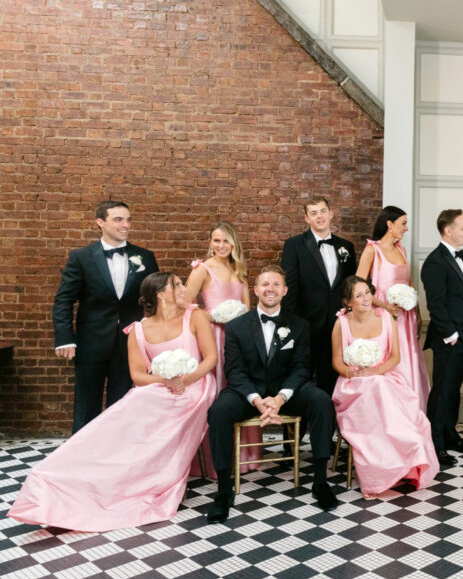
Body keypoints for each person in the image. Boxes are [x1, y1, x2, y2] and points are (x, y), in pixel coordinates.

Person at [10, 272, 218, 531]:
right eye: (176, 284)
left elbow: (210, 359)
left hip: (195, 387)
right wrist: (165, 382)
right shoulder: (138, 330)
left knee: (151, 410)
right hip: (156, 389)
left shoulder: (194, 316)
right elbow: (138, 376)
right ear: (161, 295)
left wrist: (184, 381)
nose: (183, 287)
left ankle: (141, 473)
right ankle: (59, 477)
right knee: (123, 413)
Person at [205, 266, 339, 522]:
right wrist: (257, 400)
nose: (270, 289)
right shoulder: (236, 327)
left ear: (285, 291)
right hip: (248, 393)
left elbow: (301, 367)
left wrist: (279, 399)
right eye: (265, 284)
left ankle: (321, 482)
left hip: (286, 392)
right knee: (218, 411)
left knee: (321, 401)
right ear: (255, 290)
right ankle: (223, 492)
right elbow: (234, 371)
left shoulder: (299, 325)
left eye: (276, 284)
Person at [52, 200, 160, 432]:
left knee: (123, 402)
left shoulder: (145, 257)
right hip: (91, 341)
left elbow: (155, 300)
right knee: (86, 403)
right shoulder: (81, 257)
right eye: (118, 219)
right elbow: (64, 300)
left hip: (130, 344)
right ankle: (81, 456)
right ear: (100, 222)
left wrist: (156, 338)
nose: (126, 225)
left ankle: (116, 454)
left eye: (128, 220)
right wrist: (64, 338)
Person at [331, 276, 439, 499]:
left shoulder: (386, 318)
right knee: (375, 389)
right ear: (347, 302)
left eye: (368, 293)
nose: (366, 298)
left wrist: (374, 372)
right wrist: (353, 372)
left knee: (380, 387)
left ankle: (408, 453)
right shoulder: (341, 323)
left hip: (385, 378)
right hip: (353, 384)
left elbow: (395, 358)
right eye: (359, 295)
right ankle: (378, 473)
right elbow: (337, 362)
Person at [184, 221, 260, 476]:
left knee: (241, 387)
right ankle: (214, 458)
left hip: (240, 337)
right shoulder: (202, 270)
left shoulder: (239, 269)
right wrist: (213, 316)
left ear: (233, 243)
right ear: (210, 243)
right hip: (214, 336)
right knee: (218, 388)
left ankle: (246, 455)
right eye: (216, 240)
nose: (221, 246)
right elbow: (186, 306)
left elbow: (248, 306)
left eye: (226, 240)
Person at [354, 206, 430, 411]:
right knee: (392, 363)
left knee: (409, 361)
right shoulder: (373, 250)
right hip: (383, 317)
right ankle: (391, 413)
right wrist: (385, 305)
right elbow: (358, 286)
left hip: (408, 317)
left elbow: (410, 283)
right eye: (403, 223)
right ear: (389, 224)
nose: (406, 228)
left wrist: (418, 314)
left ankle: (413, 414)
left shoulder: (401, 249)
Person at [421, 209, 463, 466]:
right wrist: (451, 335)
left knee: (452, 389)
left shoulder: (460, 257)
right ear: (448, 230)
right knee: (442, 391)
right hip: (450, 338)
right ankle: (436, 442)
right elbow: (436, 305)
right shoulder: (435, 261)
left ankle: (450, 434)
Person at [281, 196, 357, 394]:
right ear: (307, 219)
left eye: (323, 211)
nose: (319, 216)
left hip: (338, 322)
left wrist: (350, 316)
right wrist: (292, 324)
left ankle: (329, 421)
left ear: (331, 214)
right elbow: (289, 288)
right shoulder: (294, 245)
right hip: (306, 322)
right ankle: (300, 424)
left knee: (332, 376)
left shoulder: (346, 247)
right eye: (313, 213)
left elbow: (351, 286)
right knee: (301, 375)